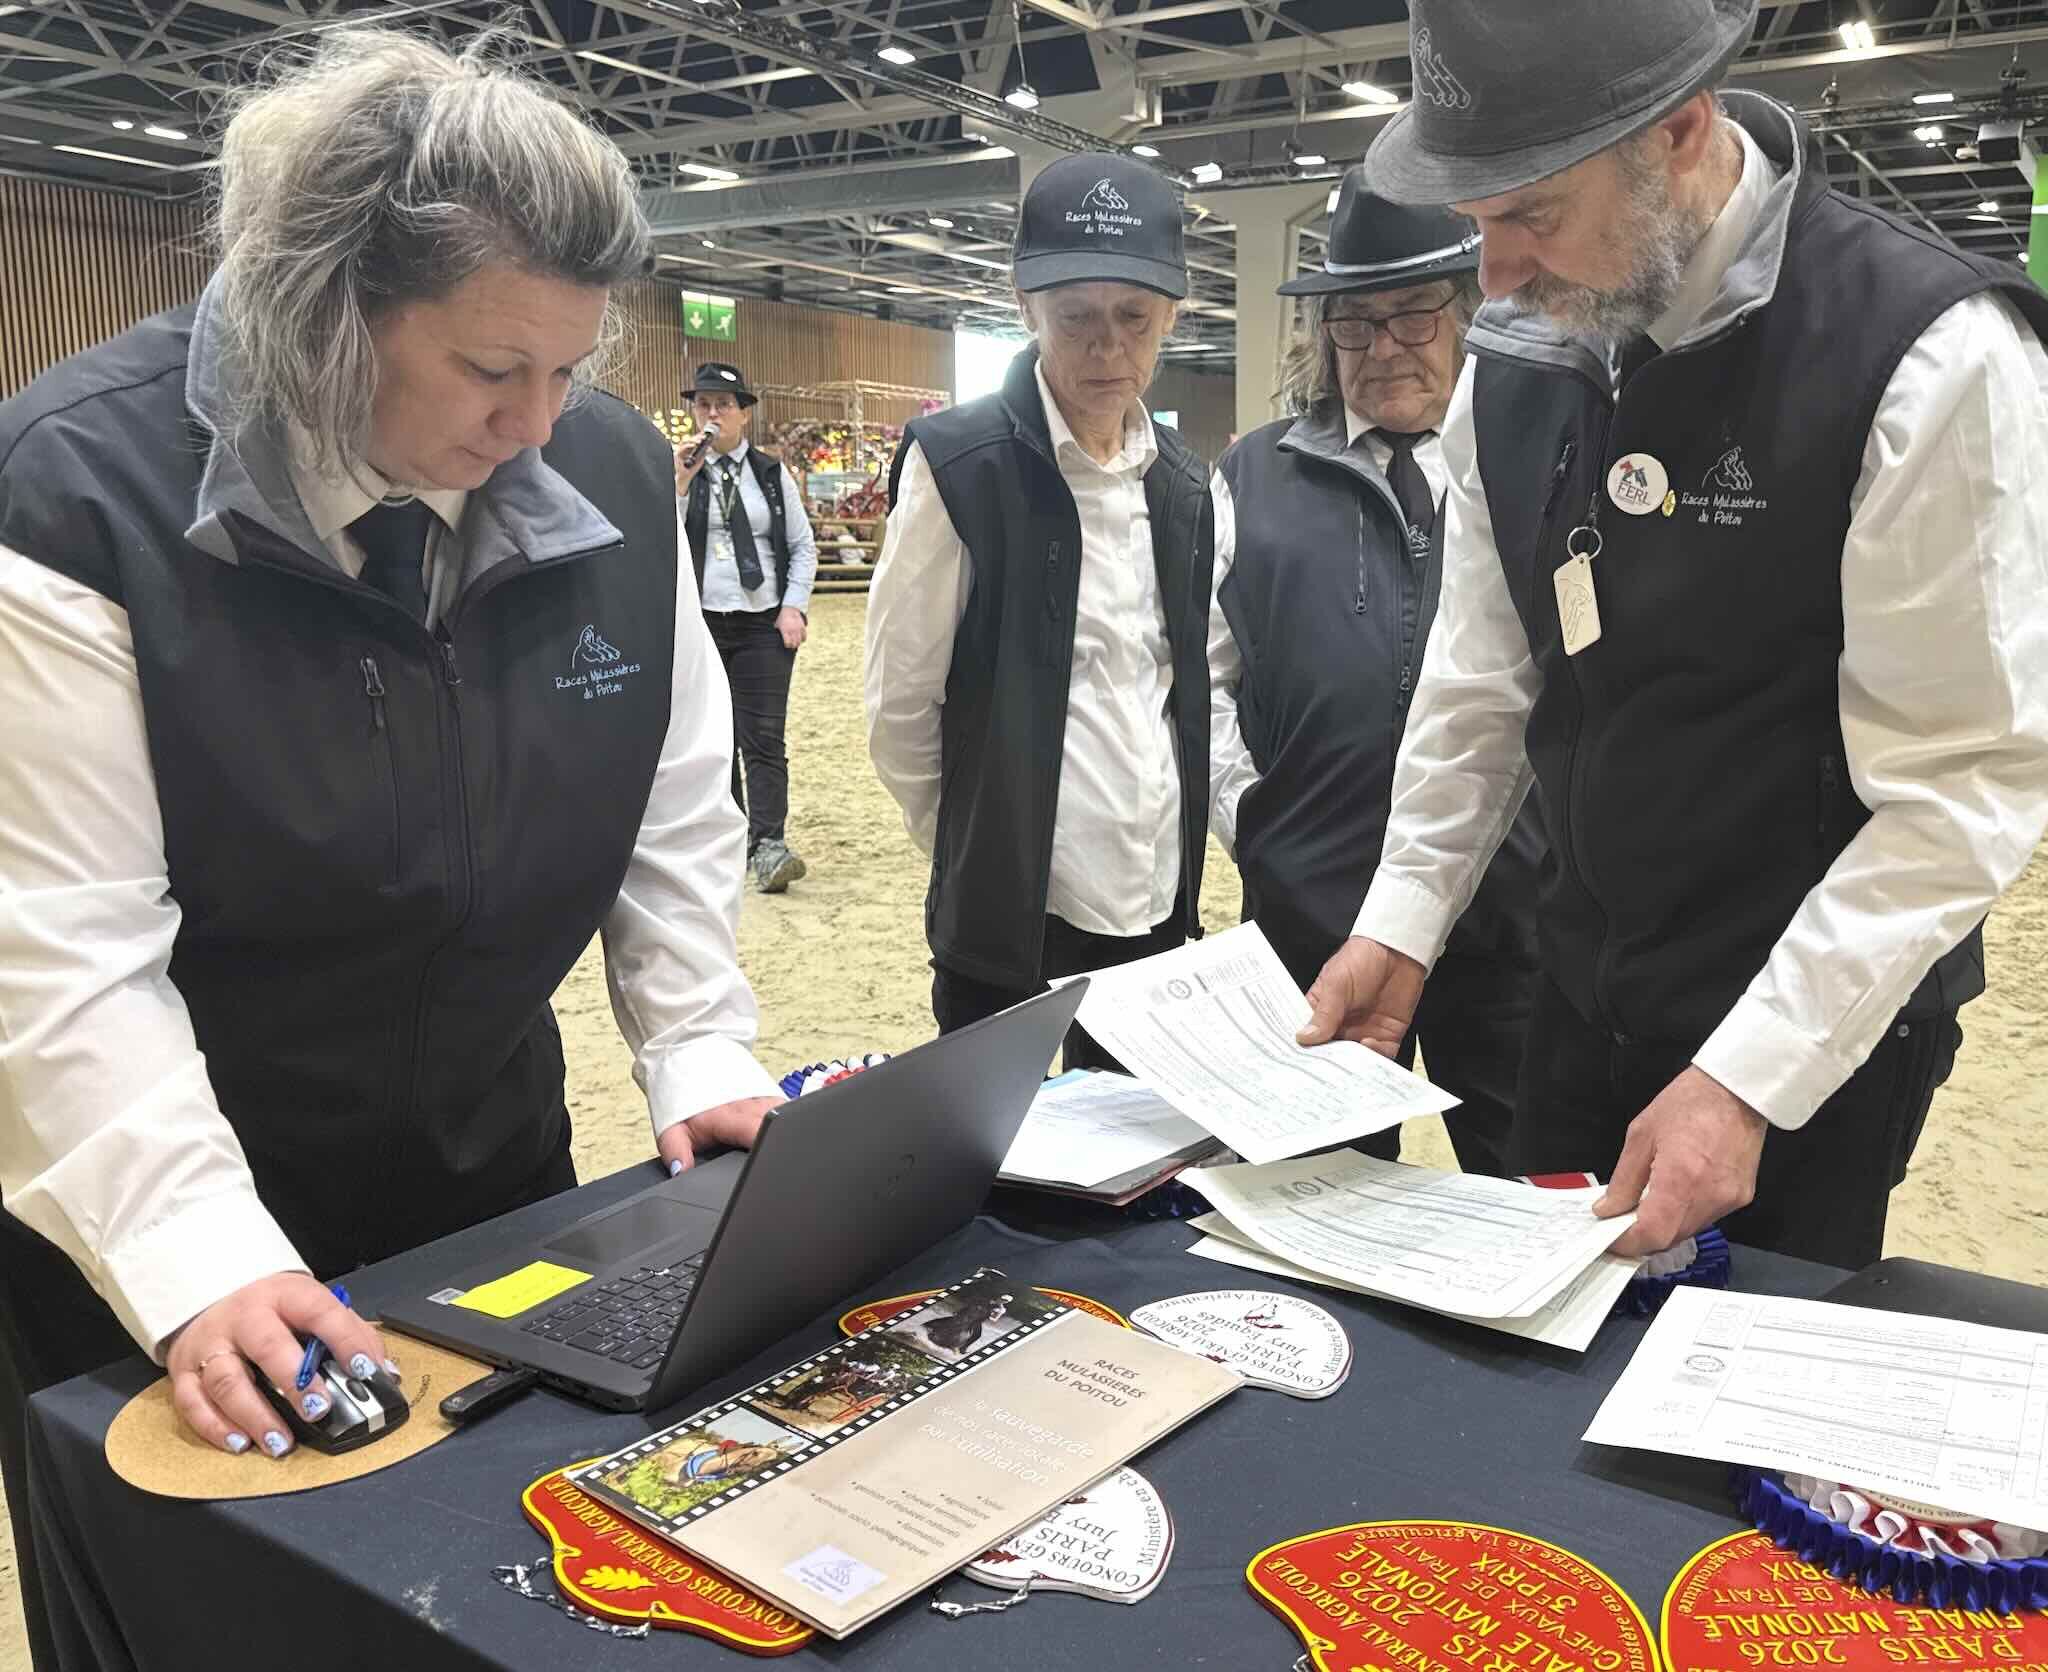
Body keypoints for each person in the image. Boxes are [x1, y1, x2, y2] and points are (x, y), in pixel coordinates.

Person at [0, 32, 787, 1662]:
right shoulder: (73, 497)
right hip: (164, 1215)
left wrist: (699, 1043)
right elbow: (60, 949)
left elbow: (663, 790)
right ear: (324, 306)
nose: (537, 423)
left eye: (572, 370)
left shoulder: (615, 476)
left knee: (496, 1596)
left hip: (483, 1173)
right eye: (493, 370)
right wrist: (197, 1256)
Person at [1300, 0, 2048, 1268]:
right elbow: (1484, 680)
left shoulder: (1934, 359)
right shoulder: (1518, 355)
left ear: (1678, 132)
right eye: (1475, 222)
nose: (1489, 277)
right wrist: (1404, 919)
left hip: (1811, 1034)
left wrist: (1753, 1077)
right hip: (1581, 983)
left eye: (1531, 215)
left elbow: (1963, 782)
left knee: (1724, 1420)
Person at [1208, 173, 1545, 1173]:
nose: (1383, 346)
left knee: (1530, 1185)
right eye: (1354, 323)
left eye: (1410, 314)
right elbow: (1204, 681)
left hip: (1514, 918)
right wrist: (1254, 818)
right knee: (1320, 1195)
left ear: (1467, 310)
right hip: (1312, 916)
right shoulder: (1250, 475)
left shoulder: (1530, 458)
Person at [862, 154, 1214, 1069]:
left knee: (1133, 1172)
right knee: (997, 1164)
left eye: (1134, 318)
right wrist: (974, 848)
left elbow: (1185, 686)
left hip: (1153, 904)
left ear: (1170, 317)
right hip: (1009, 914)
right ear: (1026, 308)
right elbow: (902, 701)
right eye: (1077, 317)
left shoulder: (1186, 486)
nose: (1108, 348)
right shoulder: (958, 466)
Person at [674, 360, 819, 893]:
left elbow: (802, 546)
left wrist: (793, 606)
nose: (712, 413)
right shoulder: (680, 469)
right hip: (702, 621)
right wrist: (678, 485)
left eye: (724, 405)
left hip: (762, 622)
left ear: (744, 415)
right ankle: (730, 838)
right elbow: (658, 537)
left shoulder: (770, 474)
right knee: (714, 737)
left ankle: (768, 844)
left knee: (762, 736)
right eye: (703, 403)